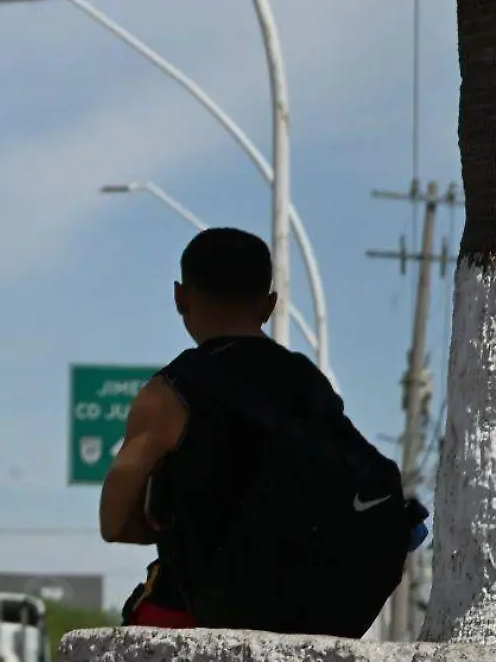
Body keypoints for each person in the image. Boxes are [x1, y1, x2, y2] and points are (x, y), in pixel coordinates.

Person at [104, 228, 424, 636]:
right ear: (270, 305)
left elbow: (113, 523)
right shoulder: (308, 383)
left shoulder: (167, 394)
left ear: (180, 298)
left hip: (200, 615)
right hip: (310, 615)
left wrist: (173, 525)